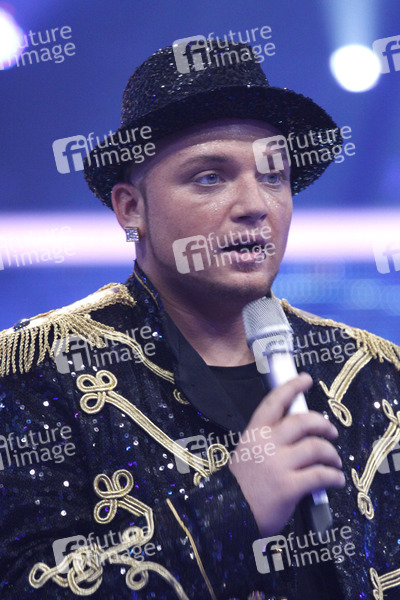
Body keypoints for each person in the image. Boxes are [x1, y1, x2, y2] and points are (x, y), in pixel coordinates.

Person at [1, 39, 400, 600]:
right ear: (131, 208)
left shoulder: (373, 374)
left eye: (273, 176)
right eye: (210, 177)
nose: (255, 205)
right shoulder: (39, 371)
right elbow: (25, 584)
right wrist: (236, 511)